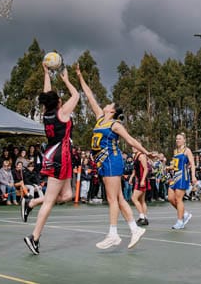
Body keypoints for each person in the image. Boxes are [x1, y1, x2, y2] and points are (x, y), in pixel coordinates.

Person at [76, 63, 154, 250]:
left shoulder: (115, 125)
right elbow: (89, 96)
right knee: (118, 198)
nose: (106, 104)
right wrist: (79, 76)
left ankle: (113, 234)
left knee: (112, 199)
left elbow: (131, 140)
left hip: (112, 160)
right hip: (103, 162)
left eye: (110, 104)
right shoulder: (99, 118)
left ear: (112, 111)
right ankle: (135, 229)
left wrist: (145, 152)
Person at [22, 64, 80, 255]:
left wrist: (46, 73)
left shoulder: (46, 112)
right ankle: (34, 237)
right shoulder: (61, 113)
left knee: (67, 196)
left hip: (56, 154)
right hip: (60, 156)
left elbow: (47, 92)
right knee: (50, 201)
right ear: (58, 103)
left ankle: (31, 203)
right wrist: (66, 80)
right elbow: (76, 96)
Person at [167, 133, 197, 229]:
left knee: (178, 199)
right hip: (174, 176)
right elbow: (175, 165)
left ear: (184, 140)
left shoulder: (187, 150)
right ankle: (185, 214)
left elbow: (192, 164)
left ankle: (180, 221)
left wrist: (193, 176)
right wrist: (168, 167)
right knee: (170, 198)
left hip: (183, 176)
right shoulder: (175, 151)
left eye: (179, 139)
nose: (177, 140)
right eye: (176, 139)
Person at [130, 146, 151, 226]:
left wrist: (142, 180)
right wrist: (131, 177)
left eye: (135, 147)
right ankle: (145, 218)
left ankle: (142, 216)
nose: (133, 148)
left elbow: (146, 169)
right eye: (133, 147)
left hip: (142, 180)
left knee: (134, 198)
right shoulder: (135, 156)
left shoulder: (141, 156)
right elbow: (135, 169)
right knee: (141, 200)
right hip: (138, 180)